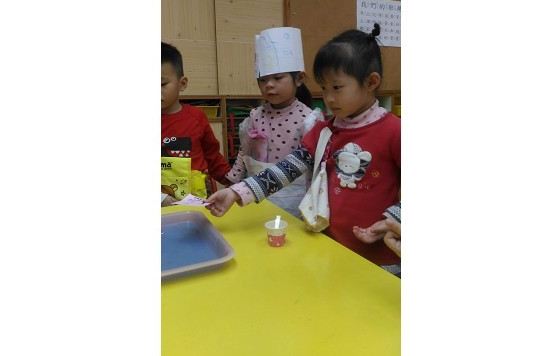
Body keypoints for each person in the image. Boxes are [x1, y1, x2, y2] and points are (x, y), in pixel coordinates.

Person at [206, 24, 401, 275]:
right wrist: (236, 192)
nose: (328, 98)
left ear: (371, 82)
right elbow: (286, 169)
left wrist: (393, 219)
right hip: (330, 248)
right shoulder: (323, 131)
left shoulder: (394, 130)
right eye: (324, 88)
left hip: (382, 258)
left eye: (337, 87)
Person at [225, 27, 323, 218]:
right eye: (263, 80)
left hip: (296, 199)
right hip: (257, 194)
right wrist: (233, 182)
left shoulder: (309, 120)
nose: (269, 84)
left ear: (299, 78)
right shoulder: (254, 116)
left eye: (277, 78)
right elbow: (244, 152)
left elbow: (315, 166)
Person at [161, 42, 232, 205]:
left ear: (182, 84)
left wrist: (235, 184)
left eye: (162, 84)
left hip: (195, 202)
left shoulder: (196, 117)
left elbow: (213, 157)